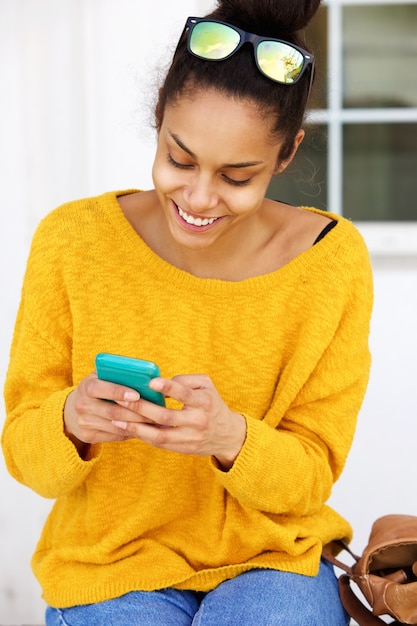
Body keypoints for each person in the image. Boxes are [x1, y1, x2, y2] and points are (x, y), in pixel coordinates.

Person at [2, 0, 373, 624]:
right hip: (109, 563)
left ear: (286, 155)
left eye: (238, 176)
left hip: (271, 557)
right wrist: (69, 419)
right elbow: (23, 455)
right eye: (179, 159)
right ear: (157, 123)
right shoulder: (72, 241)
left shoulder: (330, 262)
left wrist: (230, 438)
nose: (199, 198)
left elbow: (311, 478)